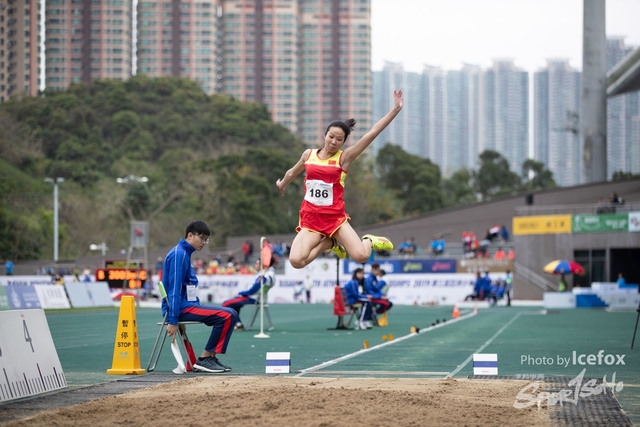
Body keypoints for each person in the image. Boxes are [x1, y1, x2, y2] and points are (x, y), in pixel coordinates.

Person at [276, 90, 403, 268]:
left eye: (339, 139)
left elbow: (372, 134)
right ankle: (329, 244)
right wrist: (282, 184)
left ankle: (368, 240)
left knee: (361, 256)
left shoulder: (344, 158)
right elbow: (292, 172)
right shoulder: (309, 154)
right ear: (325, 135)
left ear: (343, 142)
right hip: (311, 219)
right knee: (296, 261)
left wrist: (395, 109)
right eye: (331, 137)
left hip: (335, 219)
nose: (334, 142)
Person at [162, 220, 237, 373]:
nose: (204, 242)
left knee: (231, 313)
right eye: (202, 238)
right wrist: (174, 319)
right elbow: (174, 289)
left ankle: (209, 357)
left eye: (206, 239)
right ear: (190, 235)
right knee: (227, 315)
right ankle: (205, 359)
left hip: (186, 306)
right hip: (179, 309)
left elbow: (186, 288)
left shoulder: (185, 254)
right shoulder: (179, 254)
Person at [222, 257, 276, 330]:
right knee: (234, 304)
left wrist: (240, 293)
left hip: (253, 298)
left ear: (262, 265)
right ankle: (238, 324)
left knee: (226, 304)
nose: (255, 265)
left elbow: (252, 291)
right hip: (259, 298)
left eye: (257, 263)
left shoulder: (264, 276)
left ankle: (236, 323)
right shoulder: (270, 274)